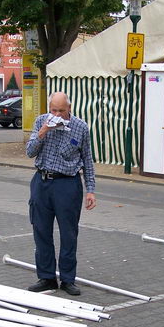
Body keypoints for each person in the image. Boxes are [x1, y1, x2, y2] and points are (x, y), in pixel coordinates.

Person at [25, 92, 96, 296]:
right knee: (41, 231)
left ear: (69, 109)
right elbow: (29, 151)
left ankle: (67, 279)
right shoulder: (41, 121)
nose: (57, 114)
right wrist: (44, 130)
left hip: (67, 184)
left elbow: (87, 160)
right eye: (53, 110)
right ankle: (46, 277)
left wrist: (90, 189)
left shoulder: (80, 127)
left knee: (69, 233)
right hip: (42, 182)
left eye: (61, 111)